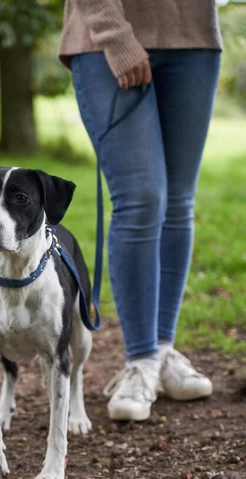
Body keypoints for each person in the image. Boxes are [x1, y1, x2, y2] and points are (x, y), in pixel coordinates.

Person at [58, 0, 222, 421]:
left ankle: (162, 351)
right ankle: (140, 360)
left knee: (178, 201)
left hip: (196, 35)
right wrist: (115, 35)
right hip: (107, 39)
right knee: (141, 197)